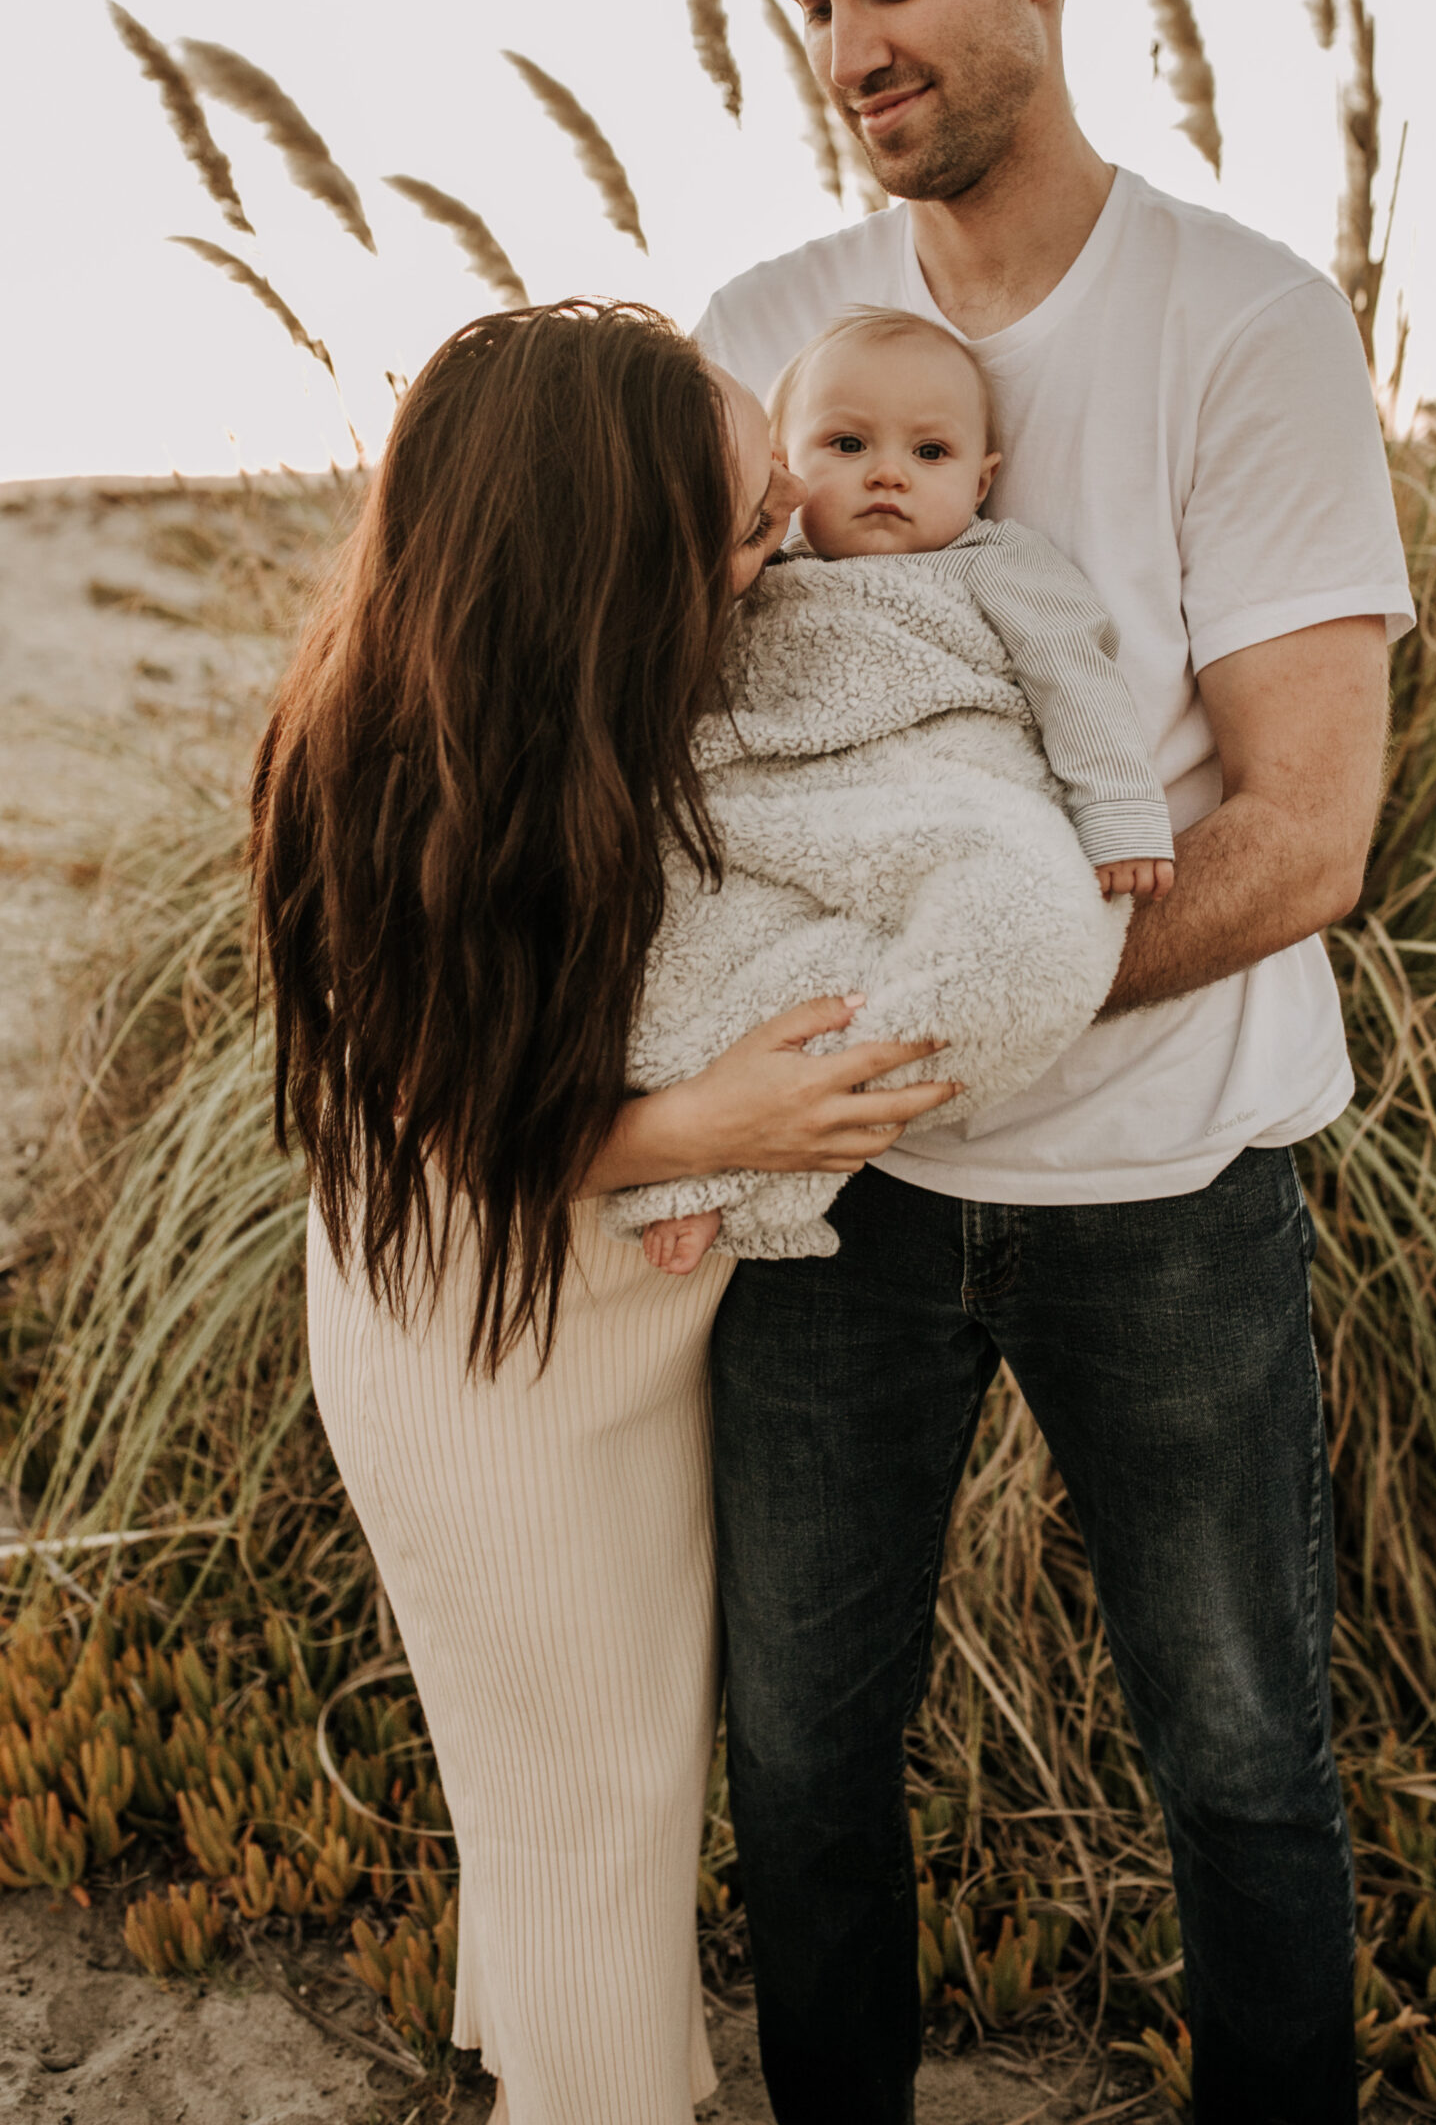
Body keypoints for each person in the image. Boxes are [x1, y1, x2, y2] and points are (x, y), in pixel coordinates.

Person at [695, 0, 1415, 2125]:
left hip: (1165, 1188)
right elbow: (655, 716)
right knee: (798, 1763)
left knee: (1234, 1753)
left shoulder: (1237, 320)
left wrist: (947, 1005)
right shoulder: (766, 322)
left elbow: (1299, 835)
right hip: (835, 1198)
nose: (844, 43)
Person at [250, 299, 963, 2125]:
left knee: (580, 1775)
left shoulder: (612, 696)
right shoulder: (400, 758)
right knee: (594, 1801)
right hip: (485, 1348)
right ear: (596, 553)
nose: (783, 541)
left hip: (604, 1327)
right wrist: (707, 1119)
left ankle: (540, 2058)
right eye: (735, 524)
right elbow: (434, 1121)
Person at [633, 303, 1174, 1276]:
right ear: (787, 475)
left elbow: (1075, 682)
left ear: (982, 478)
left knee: (932, 959)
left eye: (930, 452)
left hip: (941, 801)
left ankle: (762, 1179)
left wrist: (1120, 815)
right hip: (776, 816)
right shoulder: (765, 571)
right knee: (693, 952)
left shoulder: (1000, 565)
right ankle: (686, 1150)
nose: (889, 473)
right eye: (848, 443)